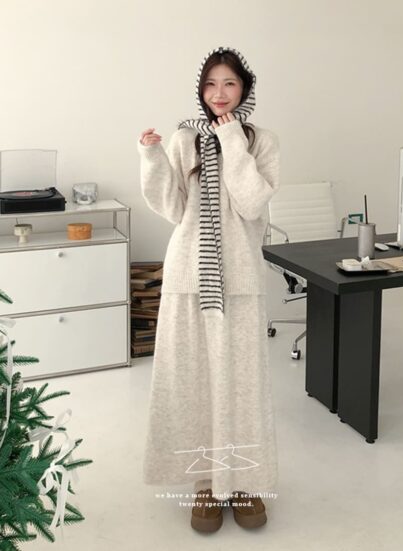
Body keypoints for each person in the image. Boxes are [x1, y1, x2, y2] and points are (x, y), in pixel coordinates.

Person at [137, 46, 280, 533]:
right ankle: (204, 482)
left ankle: (243, 480)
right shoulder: (185, 138)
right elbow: (173, 208)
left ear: (245, 89)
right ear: (201, 90)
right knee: (192, 384)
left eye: (230, 83)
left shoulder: (262, 141)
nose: (219, 93)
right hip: (188, 275)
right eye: (211, 84)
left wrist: (232, 139)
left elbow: (252, 202)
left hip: (239, 278)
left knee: (242, 386)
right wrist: (152, 157)